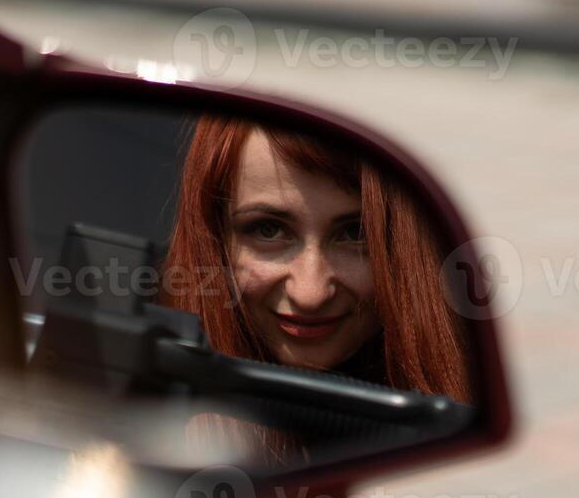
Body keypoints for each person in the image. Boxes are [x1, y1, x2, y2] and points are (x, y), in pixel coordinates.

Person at [161, 115, 473, 409]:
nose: (310, 294)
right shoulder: (140, 406)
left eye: (356, 233)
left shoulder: (464, 403)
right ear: (215, 238)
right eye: (268, 230)